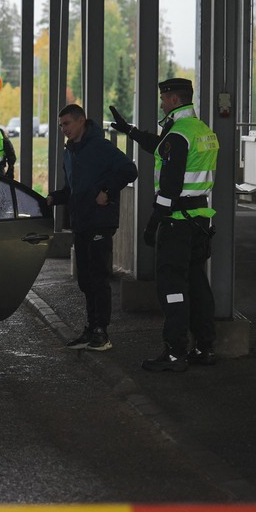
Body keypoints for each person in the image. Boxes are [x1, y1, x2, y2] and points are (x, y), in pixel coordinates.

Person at [109, 78, 219, 372]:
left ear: (172, 99)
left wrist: (153, 223)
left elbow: (169, 188)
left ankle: (174, 352)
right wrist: (130, 131)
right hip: (199, 221)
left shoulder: (180, 134)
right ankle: (204, 347)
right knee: (197, 284)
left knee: (172, 286)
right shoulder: (201, 130)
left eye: (163, 98)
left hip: (177, 224)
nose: (161, 103)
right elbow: (160, 147)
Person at [46, 103, 138, 352]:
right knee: (86, 279)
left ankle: (101, 332)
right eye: (61, 125)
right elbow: (71, 190)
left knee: (98, 277)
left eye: (66, 124)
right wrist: (54, 198)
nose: (63, 129)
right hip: (82, 221)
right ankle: (91, 328)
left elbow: (130, 170)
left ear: (81, 121)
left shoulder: (100, 146)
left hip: (100, 221)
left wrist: (106, 191)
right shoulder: (70, 152)